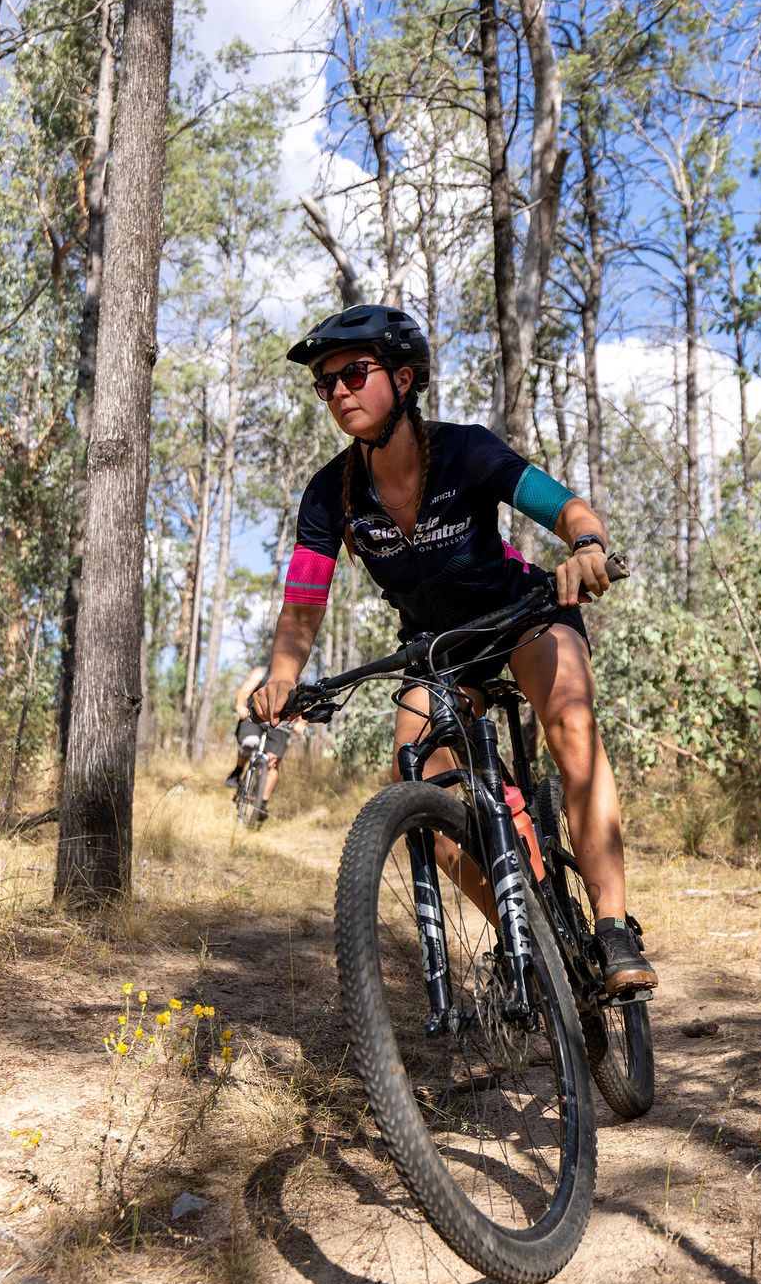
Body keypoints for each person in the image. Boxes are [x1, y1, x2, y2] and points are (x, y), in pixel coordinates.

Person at [248, 304, 656, 996]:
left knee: (572, 725)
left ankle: (614, 926)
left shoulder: (466, 450)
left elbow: (567, 508)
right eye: (325, 384)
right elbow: (303, 604)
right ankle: (522, 935)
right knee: (422, 789)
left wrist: (586, 545)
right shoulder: (329, 495)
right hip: (438, 648)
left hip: (523, 613)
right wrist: (283, 674)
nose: (338, 392)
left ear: (404, 379)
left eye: (353, 373)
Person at [226, 664, 290, 815]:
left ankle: (262, 805)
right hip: (253, 718)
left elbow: (304, 707)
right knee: (250, 743)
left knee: (273, 764)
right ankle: (237, 771)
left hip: (279, 725)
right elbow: (244, 691)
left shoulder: (297, 681)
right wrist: (241, 705)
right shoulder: (262, 672)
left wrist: (301, 723)